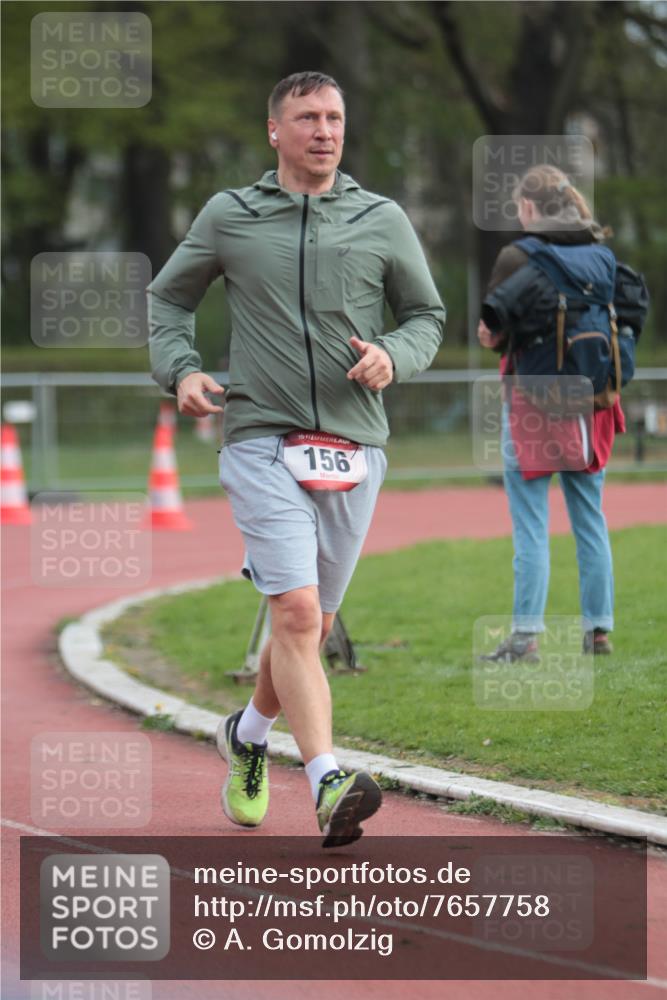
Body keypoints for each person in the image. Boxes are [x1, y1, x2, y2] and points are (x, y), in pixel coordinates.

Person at [147, 71, 445, 846]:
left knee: (308, 628)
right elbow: (168, 298)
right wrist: (181, 370)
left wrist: (394, 354)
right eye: (307, 117)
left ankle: (247, 735)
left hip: (355, 445)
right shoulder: (231, 215)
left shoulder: (381, 218)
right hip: (259, 437)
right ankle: (327, 781)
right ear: (274, 131)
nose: (324, 130)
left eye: (334, 117)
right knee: (298, 615)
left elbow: (425, 315)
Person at [477, 164, 624, 661]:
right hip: (592, 402)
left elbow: (492, 332)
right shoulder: (600, 254)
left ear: (528, 207)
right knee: (590, 520)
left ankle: (526, 637)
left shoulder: (518, 256)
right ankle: (598, 631)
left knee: (531, 525)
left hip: (533, 404)